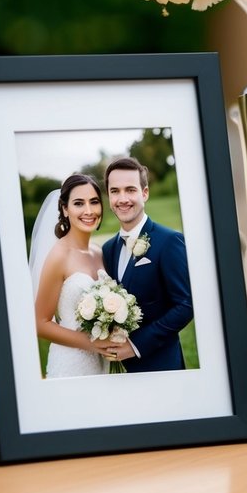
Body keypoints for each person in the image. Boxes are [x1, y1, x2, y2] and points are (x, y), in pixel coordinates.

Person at [100, 156, 194, 371]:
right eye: (115, 191)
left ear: (145, 193)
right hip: (121, 371)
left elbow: (186, 305)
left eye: (130, 190)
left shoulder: (169, 240)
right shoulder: (108, 249)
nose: (122, 198)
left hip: (162, 366)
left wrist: (134, 346)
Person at [30, 174, 108, 378]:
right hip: (72, 364)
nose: (89, 211)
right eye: (78, 203)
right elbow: (40, 323)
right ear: (65, 209)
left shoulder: (98, 251)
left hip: (103, 362)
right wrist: (93, 344)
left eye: (94, 202)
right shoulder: (58, 256)